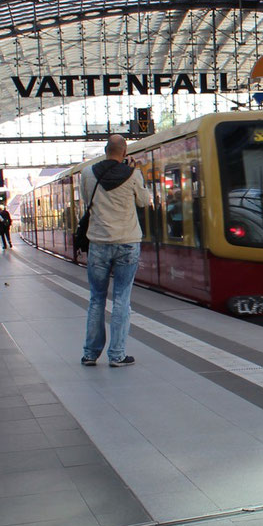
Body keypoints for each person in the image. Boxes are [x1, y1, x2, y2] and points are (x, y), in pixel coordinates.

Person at [80, 134, 150, 368]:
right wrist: (135, 174)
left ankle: (90, 354)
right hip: (128, 242)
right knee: (122, 299)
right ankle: (117, 355)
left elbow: (85, 201)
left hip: (98, 243)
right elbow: (143, 201)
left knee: (96, 299)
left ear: (105, 149)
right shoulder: (133, 175)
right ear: (124, 152)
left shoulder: (88, 174)